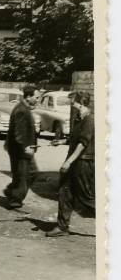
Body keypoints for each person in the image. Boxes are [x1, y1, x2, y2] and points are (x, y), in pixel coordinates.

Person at [46, 91, 95, 237]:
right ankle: (62, 227)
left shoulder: (89, 120)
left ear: (82, 104)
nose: (72, 106)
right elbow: (75, 139)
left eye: (73, 103)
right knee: (65, 192)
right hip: (76, 161)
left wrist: (68, 162)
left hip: (83, 163)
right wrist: (61, 141)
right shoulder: (80, 119)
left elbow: (82, 143)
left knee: (86, 198)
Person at [4, 85, 40, 208]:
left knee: (27, 174)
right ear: (28, 97)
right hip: (20, 150)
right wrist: (25, 147)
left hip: (21, 148)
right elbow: (18, 133)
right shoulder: (21, 110)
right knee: (25, 174)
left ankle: (12, 191)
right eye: (36, 97)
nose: (37, 100)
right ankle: (15, 199)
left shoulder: (24, 108)